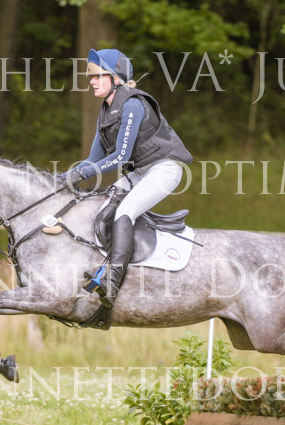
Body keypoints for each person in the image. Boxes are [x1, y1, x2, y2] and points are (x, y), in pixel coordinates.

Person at [58, 48, 193, 310]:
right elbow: (93, 159)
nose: (91, 81)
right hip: (141, 171)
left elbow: (120, 157)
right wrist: (63, 178)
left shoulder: (132, 104)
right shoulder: (106, 110)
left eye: (98, 76)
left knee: (125, 211)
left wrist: (82, 173)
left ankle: (113, 282)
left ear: (116, 79)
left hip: (164, 170)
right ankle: (102, 268)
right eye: (91, 76)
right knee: (103, 204)